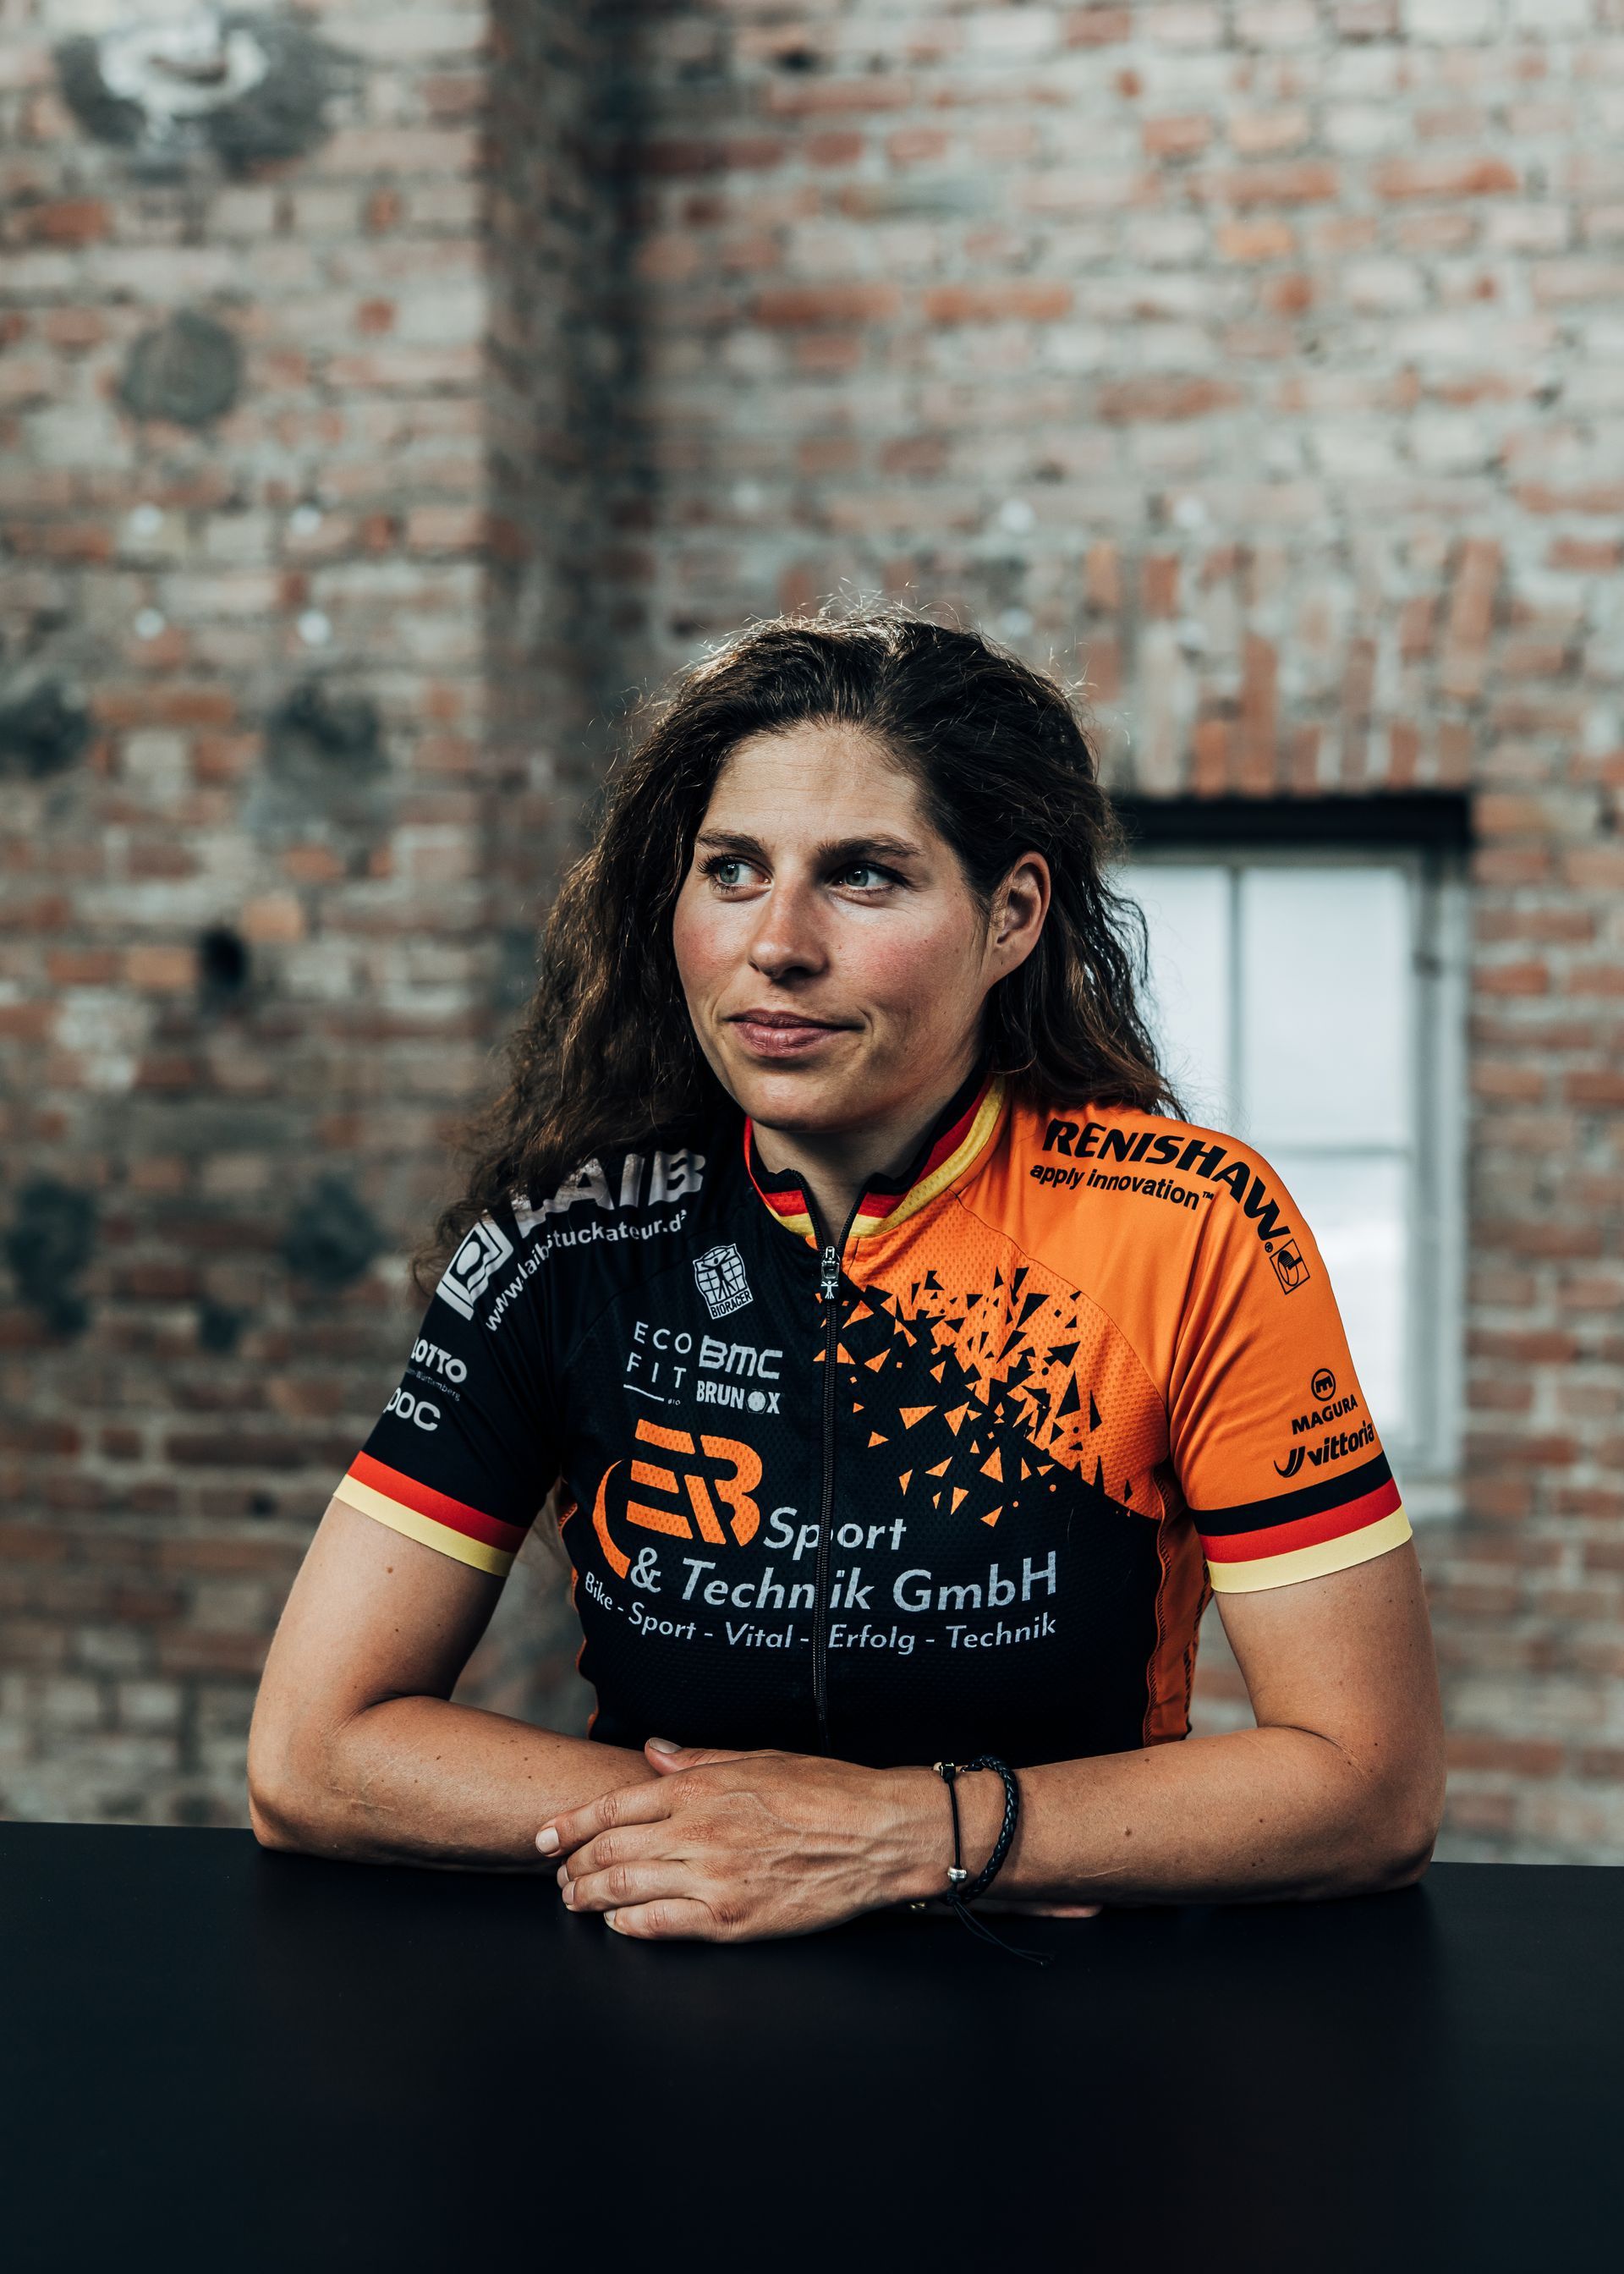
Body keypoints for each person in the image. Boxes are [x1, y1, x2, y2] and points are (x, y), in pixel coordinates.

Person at [247, 603, 1446, 1944]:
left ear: (1011, 917)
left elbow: (1371, 1787)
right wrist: (743, 1836)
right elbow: (313, 1752)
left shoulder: (1194, 1228)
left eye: (864, 876)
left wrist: (899, 1836)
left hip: (1067, 2014)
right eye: (733, 870)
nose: (778, 943)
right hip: (666, 1979)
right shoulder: (567, 1243)